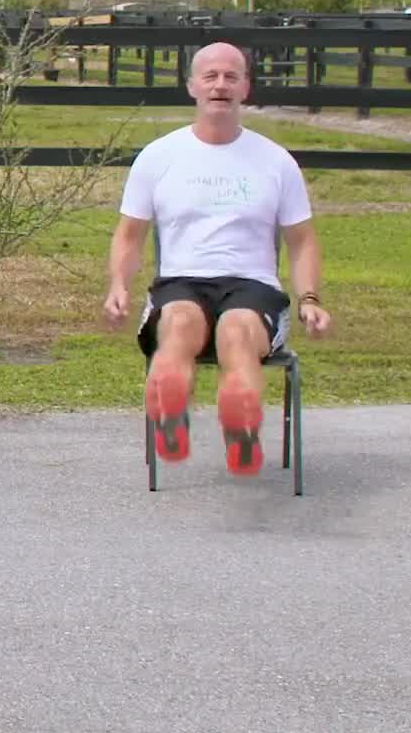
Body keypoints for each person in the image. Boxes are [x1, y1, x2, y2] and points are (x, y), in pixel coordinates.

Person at [103, 41, 332, 476]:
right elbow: (130, 235)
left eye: (231, 76)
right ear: (192, 85)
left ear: (246, 86)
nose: (220, 85)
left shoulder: (276, 161)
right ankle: (169, 409)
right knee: (181, 325)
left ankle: (240, 425)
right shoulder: (158, 157)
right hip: (180, 282)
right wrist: (119, 285)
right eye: (210, 76)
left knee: (238, 332)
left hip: (253, 287)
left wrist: (310, 299)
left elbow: (302, 241)